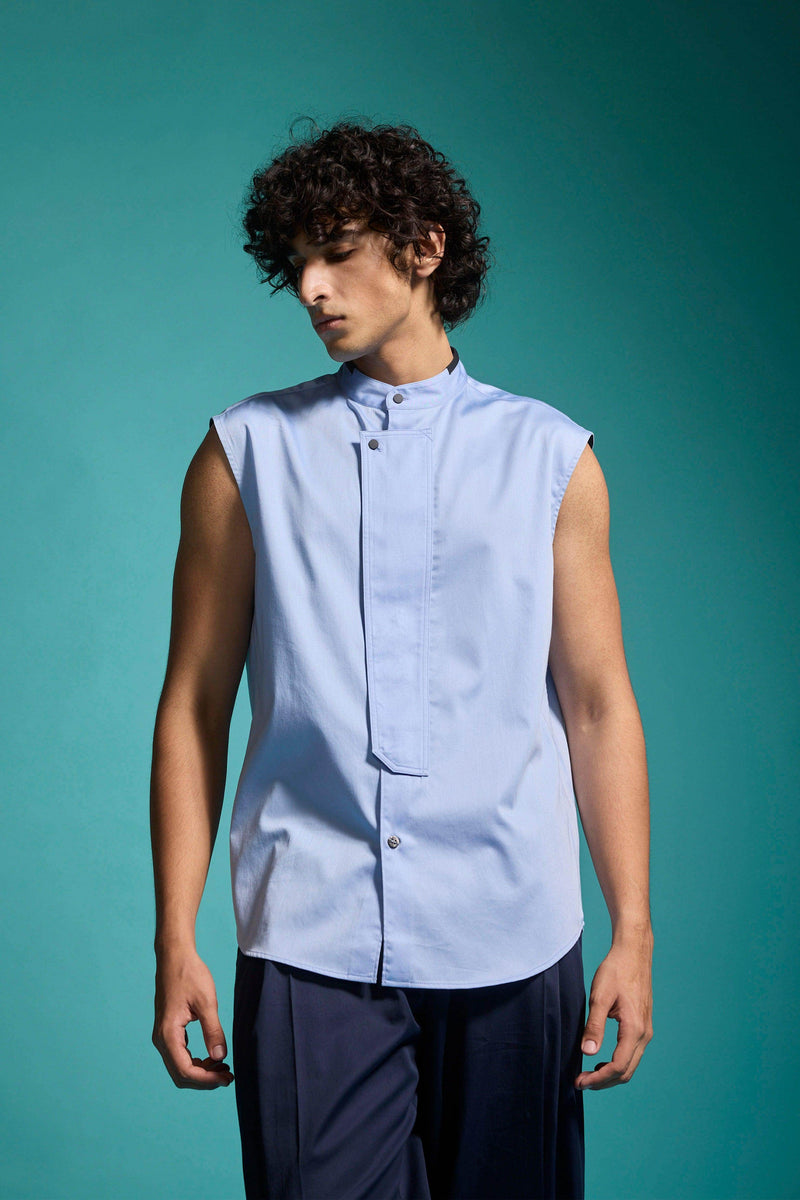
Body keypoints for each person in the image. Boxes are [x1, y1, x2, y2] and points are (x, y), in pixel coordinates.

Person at [150, 117, 653, 1200]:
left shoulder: (549, 457)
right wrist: (174, 938)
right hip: (310, 931)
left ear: (424, 248)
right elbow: (193, 704)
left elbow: (598, 705)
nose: (311, 288)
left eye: (337, 252)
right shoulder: (245, 453)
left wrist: (633, 931)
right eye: (297, 263)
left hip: (513, 930)